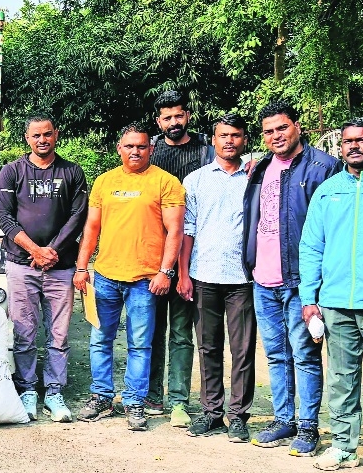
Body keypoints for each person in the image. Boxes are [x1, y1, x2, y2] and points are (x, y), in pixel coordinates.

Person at [298, 118, 363, 468]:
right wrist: (309, 298)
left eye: (362, 140)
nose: (354, 146)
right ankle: (344, 446)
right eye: (347, 141)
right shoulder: (328, 190)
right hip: (335, 303)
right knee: (341, 378)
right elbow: (311, 246)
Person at [73, 124, 185, 431]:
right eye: (129, 146)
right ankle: (101, 396)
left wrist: (165, 271)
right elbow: (92, 229)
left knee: (140, 344)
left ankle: (135, 402)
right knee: (100, 340)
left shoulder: (166, 182)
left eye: (141, 146)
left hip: (145, 280)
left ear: (151, 149)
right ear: (119, 149)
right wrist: (82, 267)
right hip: (106, 275)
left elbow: (175, 231)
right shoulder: (104, 182)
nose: (135, 151)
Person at [243, 101, 338, 451]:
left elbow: (329, 228)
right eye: (268, 131)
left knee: (305, 353)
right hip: (262, 278)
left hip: (301, 280)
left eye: (281, 128)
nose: (275, 136)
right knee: (276, 354)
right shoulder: (260, 168)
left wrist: (316, 284)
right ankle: (284, 420)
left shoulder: (324, 167)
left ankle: (308, 426)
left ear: (297, 126)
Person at [0, 112, 88, 423]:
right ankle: (26, 390)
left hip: (60, 268)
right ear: (27, 138)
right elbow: (5, 218)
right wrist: (35, 250)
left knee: (59, 335)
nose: (42, 140)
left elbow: (77, 218)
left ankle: (54, 392)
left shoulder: (72, 172)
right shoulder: (12, 172)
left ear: (56, 134)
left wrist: (51, 252)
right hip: (21, 266)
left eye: (47, 134)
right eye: (36, 135)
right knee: (24, 332)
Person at [176, 114, 256, 442]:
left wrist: (259, 164)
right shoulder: (195, 180)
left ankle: (238, 416)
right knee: (208, 347)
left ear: (244, 140)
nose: (229, 141)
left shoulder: (256, 177)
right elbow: (187, 230)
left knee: (242, 348)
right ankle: (212, 412)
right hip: (203, 274)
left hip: (243, 278)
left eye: (235, 136)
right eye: (223, 135)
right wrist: (183, 274)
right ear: (213, 139)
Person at [147, 91, 213, 427]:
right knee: (152, 330)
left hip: (190, 254)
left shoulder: (205, 149)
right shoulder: (150, 150)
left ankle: (178, 400)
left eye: (178, 116)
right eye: (166, 118)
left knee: (182, 332)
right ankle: (151, 395)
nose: (174, 123)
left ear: (187, 115)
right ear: (158, 121)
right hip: (152, 257)